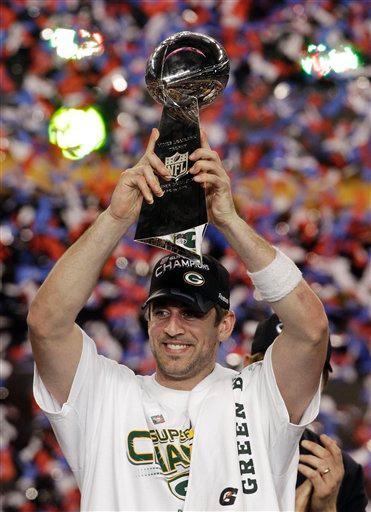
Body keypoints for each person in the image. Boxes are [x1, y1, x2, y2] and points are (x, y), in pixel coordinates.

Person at [28, 128, 330, 511]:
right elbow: (46, 324)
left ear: (224, 325)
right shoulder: (107, 396)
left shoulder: (261, 397)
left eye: (191, 314)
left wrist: (229, 221)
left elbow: (311, 331)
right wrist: (116, 217)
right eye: (162, 312)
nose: (173, 328)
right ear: (148, 317)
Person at [248, 313, 368, 512]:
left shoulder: (343, 473)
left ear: (324, 382)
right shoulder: (203, 443)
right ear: (248, 368)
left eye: (308, 368)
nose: (292, 382)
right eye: (274, 367)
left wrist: (327, 507)